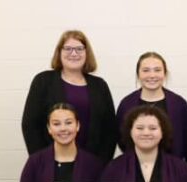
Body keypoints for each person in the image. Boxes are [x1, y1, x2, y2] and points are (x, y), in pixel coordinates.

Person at [21, 30, 117, 163]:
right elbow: (30, 125)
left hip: (92, 164)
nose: (73, 53)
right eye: (68, 49)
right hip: (52, 163)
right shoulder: (43, 81)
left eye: (79, 49)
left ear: (86, 53)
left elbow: (110, 129)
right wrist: (42, 161)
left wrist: (101, 163)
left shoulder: (99, 85)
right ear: (59, 52)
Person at [116, 51, 187, 159]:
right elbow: (121, 138)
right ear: (138, 74)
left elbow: (186, 139)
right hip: (135, 166)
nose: (152, 75)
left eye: (157, 70)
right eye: (146, 70)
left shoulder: (179, 104)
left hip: (172, 168)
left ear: (165, 73)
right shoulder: (127, 104)